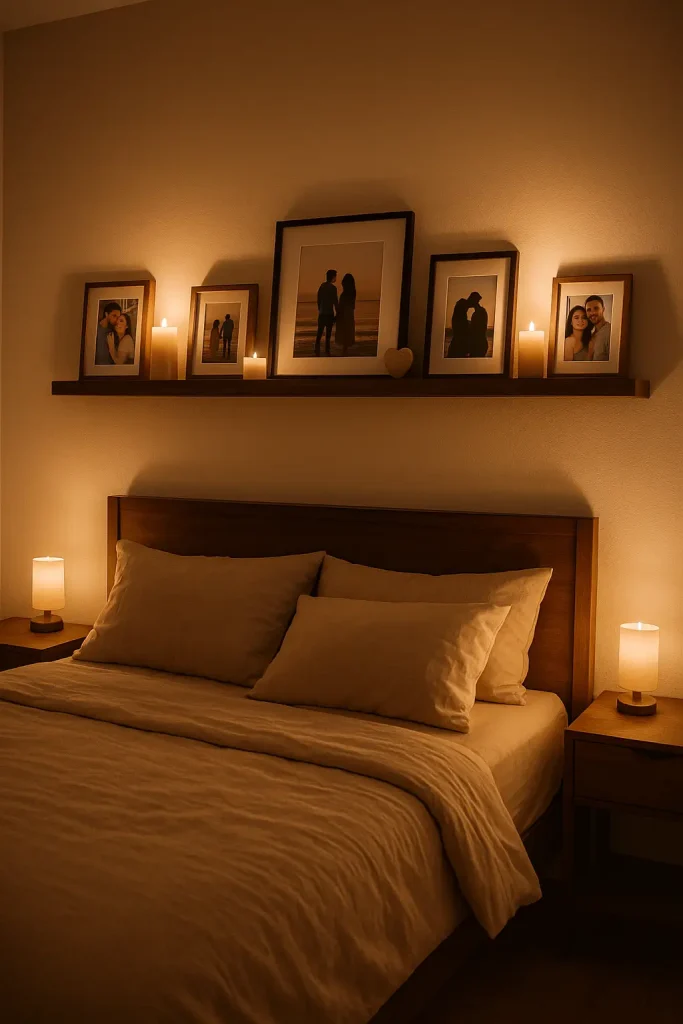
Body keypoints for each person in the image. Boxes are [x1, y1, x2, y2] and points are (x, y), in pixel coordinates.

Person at [315, 269, 338, 356]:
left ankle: (317, 350)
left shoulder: (322, 286)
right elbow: (335, 302)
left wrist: (320, 309)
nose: (336, 278)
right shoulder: (333, 288)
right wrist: (337, 314)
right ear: (332, 277)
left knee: (319, 333)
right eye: (335, 276)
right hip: (329, 314)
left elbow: (318, 300)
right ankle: (327, 351)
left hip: (322, 313)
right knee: (328, 335)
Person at [335, 273, 356, 354]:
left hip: (345, 314)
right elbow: (352, 306)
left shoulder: (345, 294)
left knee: (344, 330)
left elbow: (342, 305)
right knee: (347, 331)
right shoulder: (352, 292)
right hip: (349, 314)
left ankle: (345, 349)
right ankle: (345, 348)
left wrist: (338, 314)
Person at [585, 295, 611, 360]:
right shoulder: (592, 335)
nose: (592, 313)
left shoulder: (610, 332)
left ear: (603, 309)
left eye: (596, 308)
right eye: (589, 310)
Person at [468, 292, 488, 357]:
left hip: (479, 344)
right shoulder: (478, 312)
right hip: (479, 343)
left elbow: (478, 328)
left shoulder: (480, 312)